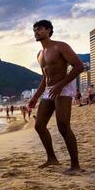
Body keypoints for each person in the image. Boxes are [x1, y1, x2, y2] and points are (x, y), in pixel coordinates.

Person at [28, 20, 84, 174]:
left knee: (63, 125)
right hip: (49, 90)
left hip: (64, 88)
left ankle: (75, 165)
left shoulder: (60, 46)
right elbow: (44, 79)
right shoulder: (39, 54)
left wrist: (60, 85)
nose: (36, 32)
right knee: (39, 126)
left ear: (49, 30)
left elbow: (79, 66)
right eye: (34, 30)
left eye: (39, 29)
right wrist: (35, 97)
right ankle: (52, 158)